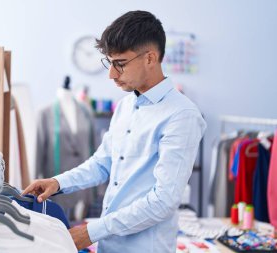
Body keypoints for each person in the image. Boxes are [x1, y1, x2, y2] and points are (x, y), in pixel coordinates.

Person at [23, 10, 206, 253]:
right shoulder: (126, 106)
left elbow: (164, 201)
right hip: (110, 245)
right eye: (109, 63)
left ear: (150, 58)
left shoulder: (181, 115)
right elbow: (102, 163)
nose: (111, 74)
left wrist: (91, 232)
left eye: (120, 64)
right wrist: (57, 183)